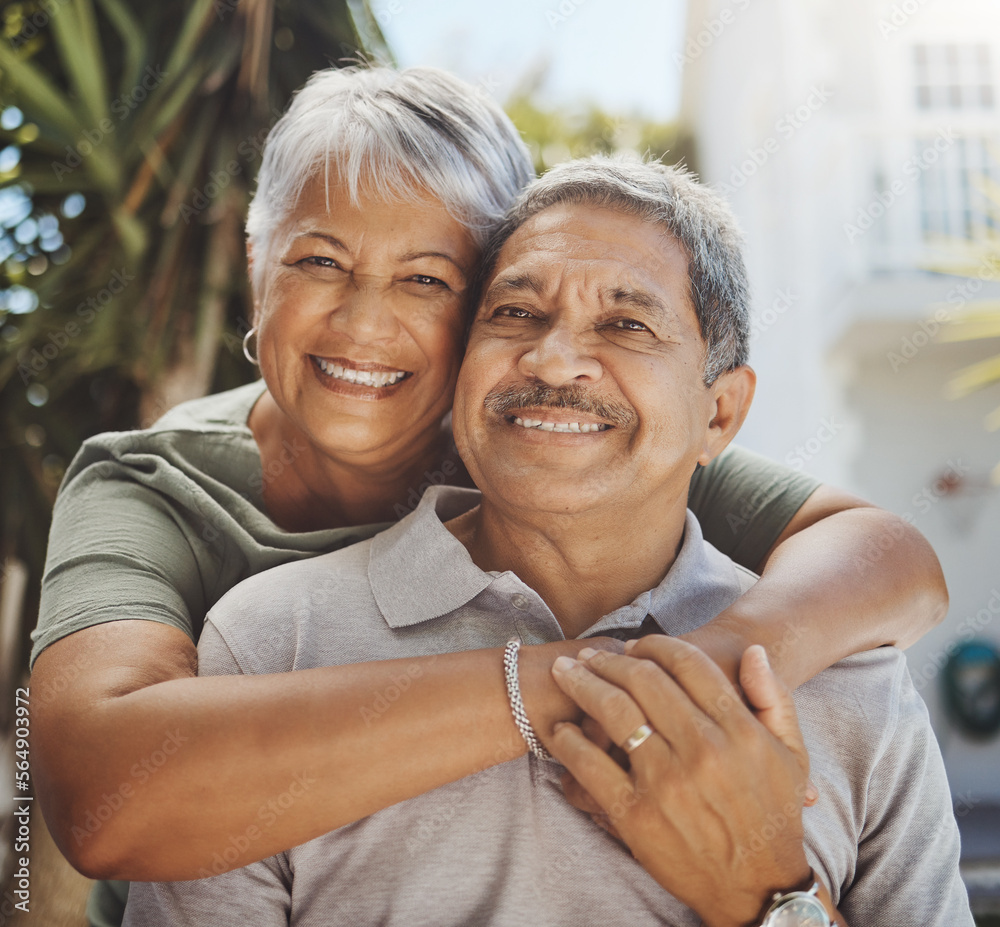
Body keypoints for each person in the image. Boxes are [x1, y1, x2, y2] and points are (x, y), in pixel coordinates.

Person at [30, 66, 945, 922]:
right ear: (254, 260)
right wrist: (598, 688)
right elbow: (100, 788)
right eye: (318, 261)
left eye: (427, 278)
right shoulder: (193, 543)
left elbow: (888, 553)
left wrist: (706, 684)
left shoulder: (569, 438)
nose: (363, 322)